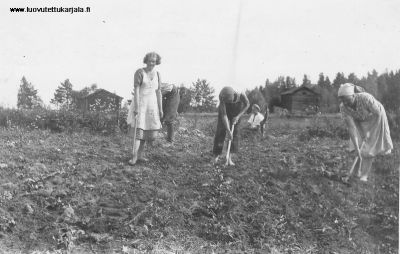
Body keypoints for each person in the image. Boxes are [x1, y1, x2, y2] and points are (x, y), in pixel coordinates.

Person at [338, 83, 393, 181]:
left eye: (347, 99)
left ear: (354, 95)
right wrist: (357, 147)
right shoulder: (343, 107)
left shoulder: (365, 98)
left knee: (369, 147)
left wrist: (369, 131)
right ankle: (355, 173)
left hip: (376, 117)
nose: (345, 103)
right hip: (359, 119)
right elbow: (351, 127)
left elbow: (377, 114)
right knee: (358, 147)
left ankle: (364, 175)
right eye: (342, 100)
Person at [128, 52, 163, 165]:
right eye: (150, 60)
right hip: (141, 103)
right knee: (138, 132)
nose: (152, 63)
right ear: (146, 61)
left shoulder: (157, 74)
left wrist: (160, 108)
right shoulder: (140, 72)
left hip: (152, 106)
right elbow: (137, 90)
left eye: (154, 61)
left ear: (157, 62)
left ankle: (140, 156)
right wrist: (137, 107)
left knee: (146, 132)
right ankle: (134, 157)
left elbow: (158, 92)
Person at [213, 86, 250, 165]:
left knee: (234, 133)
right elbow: (224, 115)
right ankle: (216, 155)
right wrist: (228, 130)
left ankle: (229, 158)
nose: (227, 102)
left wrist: (238, 116)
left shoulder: (241, 94)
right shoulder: (222, 96)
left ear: (233, 96)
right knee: (220, 130)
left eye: (228, 101)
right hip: (225, 110)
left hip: (237, 109)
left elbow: (247, 105)